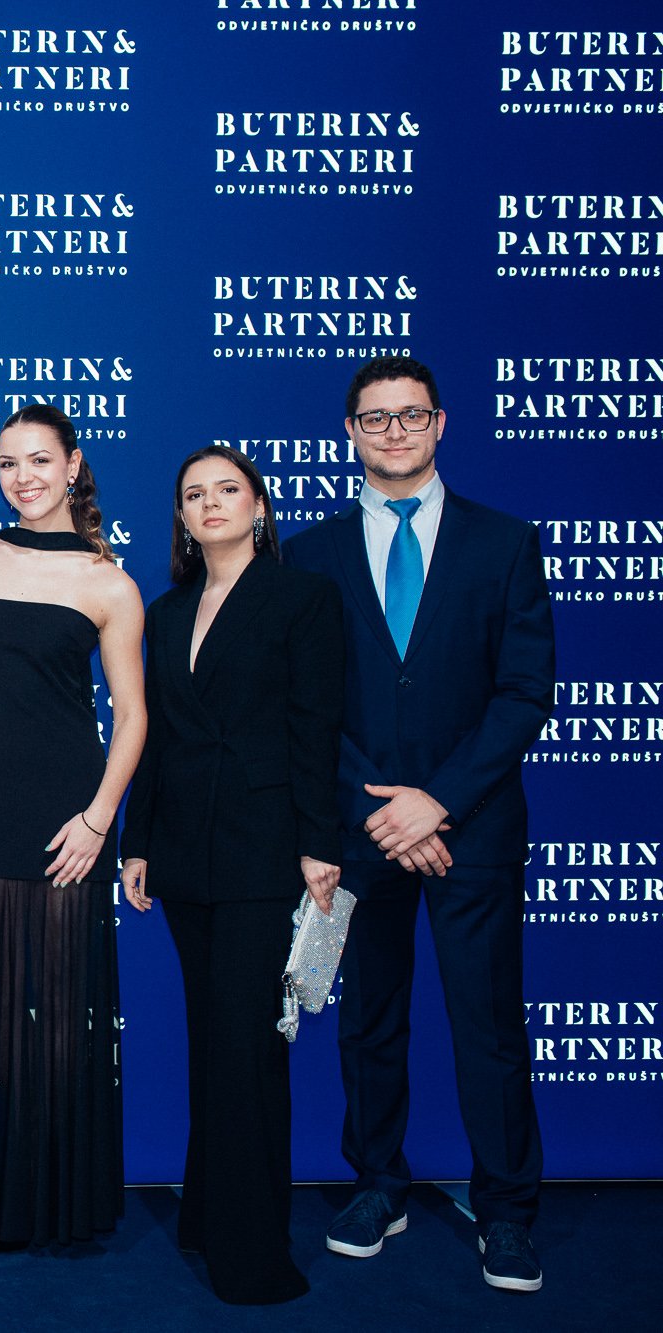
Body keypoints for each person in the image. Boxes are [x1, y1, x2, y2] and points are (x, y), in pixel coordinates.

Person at [284, 356, 555, 1293]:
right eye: (376, 417)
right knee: (369, 1022)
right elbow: (305, 703)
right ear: (350, 432)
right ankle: (378, 1184)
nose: (394, 431)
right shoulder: (309, 554)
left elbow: (524, 691)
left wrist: (436, 801)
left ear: (440, 424)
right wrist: (381, 808)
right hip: (361, 836)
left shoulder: (504, 542)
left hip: (471, 828)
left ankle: (508, 1211)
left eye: (411, 415)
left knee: (490, 1024)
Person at [0, 404, 146, 1250]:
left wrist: (98, 819)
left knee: (59, 1017)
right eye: (9, 463)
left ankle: (53, 1203)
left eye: (40, 460)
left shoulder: (108, 582)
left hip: (65, 819)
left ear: (73, 465)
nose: (24, 477)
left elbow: (133, 715)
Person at [121, 444, 344, 1305]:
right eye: (194, 494)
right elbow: (156, 735)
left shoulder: (302, 598)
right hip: (184, 853)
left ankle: (253, 1254)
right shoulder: (167, 609)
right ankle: (209, 1218)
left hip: (264, 850)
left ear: (258, 506)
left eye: (227, 489)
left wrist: (317, 843)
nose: (210, 503)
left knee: (249, 1050)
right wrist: (138, 841)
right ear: (181, 517)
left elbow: (315, 725)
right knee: (211, 1040)